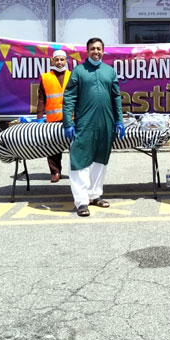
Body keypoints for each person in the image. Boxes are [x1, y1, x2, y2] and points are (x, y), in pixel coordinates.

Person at [62, 37, 126, 217]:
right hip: (85, 123)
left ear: (103, 51)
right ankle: (81, 201)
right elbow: (69, 98)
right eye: (92, 49)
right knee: (80, 160)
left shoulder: (109, 71)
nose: (96, 51)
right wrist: (68, 122)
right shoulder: (79, 71)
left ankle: (94, 195)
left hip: (106, 122)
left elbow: (116, 97)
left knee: (100, 159)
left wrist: (119, 120)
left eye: (98, 48)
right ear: (87, 51)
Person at [36, 49, 71, 182]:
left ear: (66, 61)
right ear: (53, 61)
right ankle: (55, 172)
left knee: (75, 146)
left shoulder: (72, 76)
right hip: (53, 119)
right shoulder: (46, 77)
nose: (59, 62)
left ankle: (76, 172)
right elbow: (41, 98)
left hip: (71, 117)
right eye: (57, 60)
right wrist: (40, 117)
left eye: (62, 59)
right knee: (53, 146)